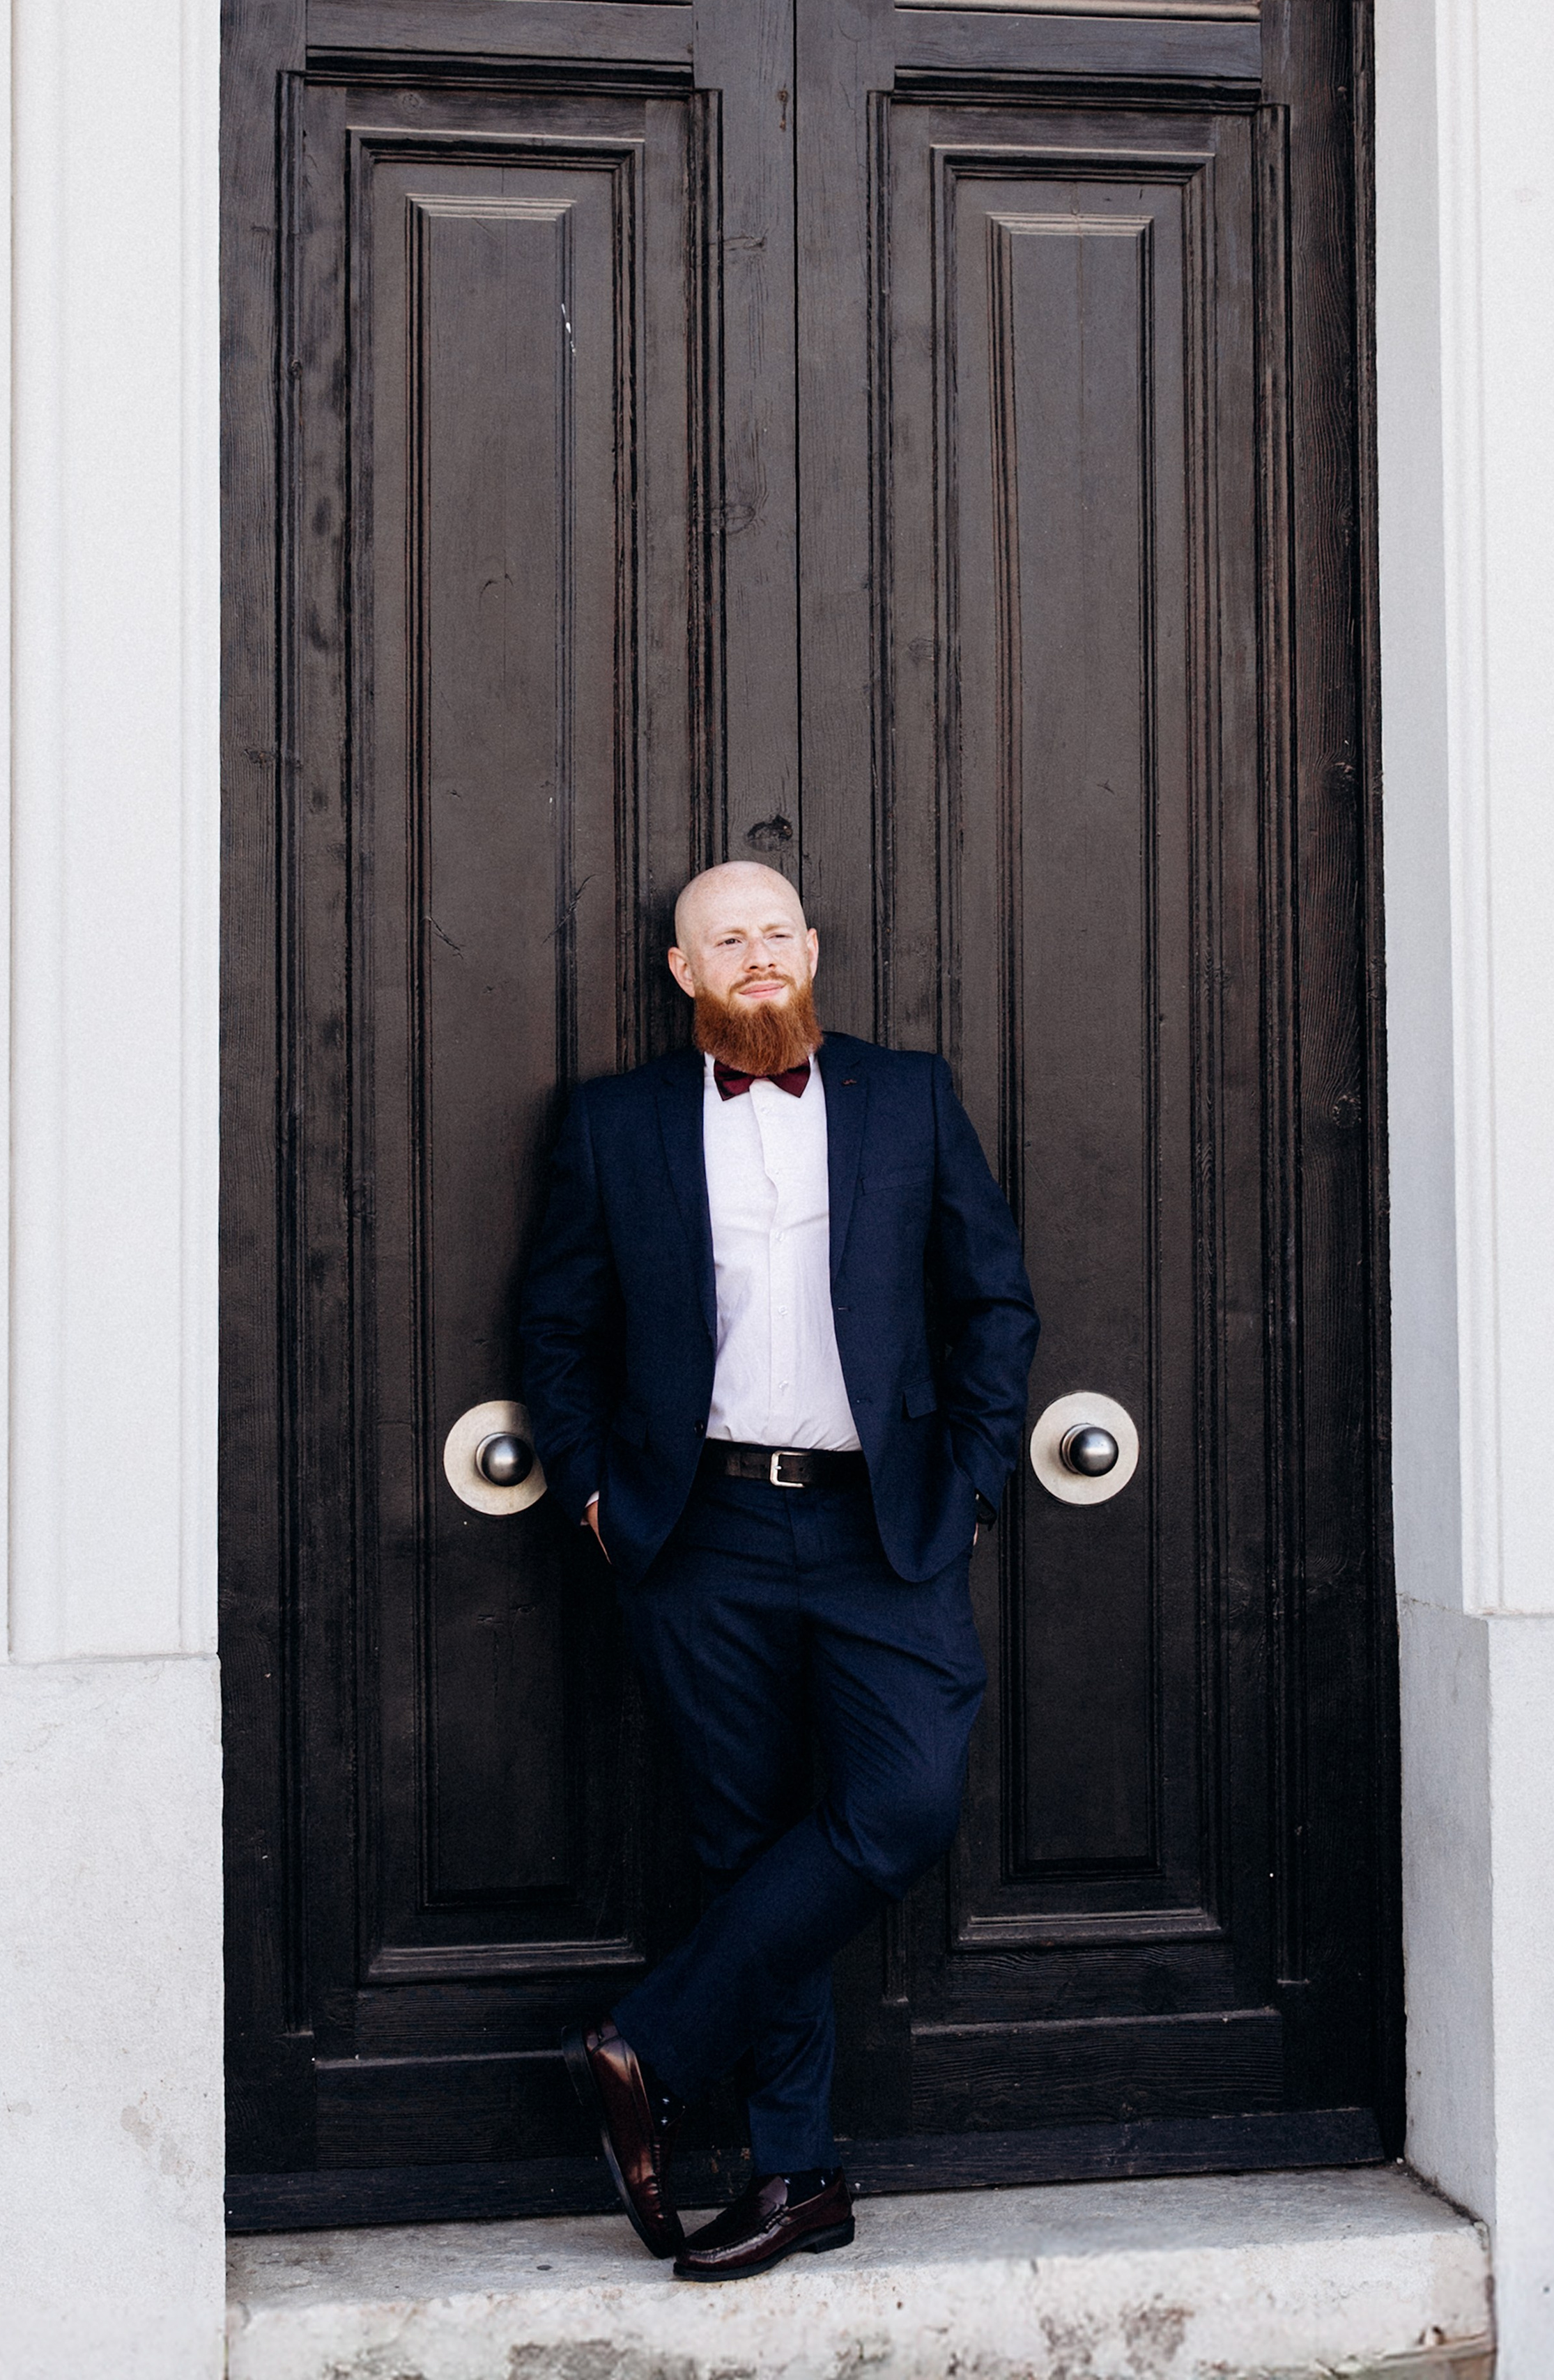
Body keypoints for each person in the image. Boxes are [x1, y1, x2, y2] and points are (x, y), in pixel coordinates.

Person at [518, 862, 1038, 2280]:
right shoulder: (614, 1123)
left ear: (809, 950)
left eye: (772, 932)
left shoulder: (909, 1095)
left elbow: (992, 1299)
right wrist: (590, 1496)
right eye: (720, 939)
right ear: (682, 973)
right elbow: (556, 1326)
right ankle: (794, 2172)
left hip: (885, 1526)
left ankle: (653, 2043)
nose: (753, 955)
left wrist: (973, 1471)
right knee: (751, 1849)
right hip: (701, 1532)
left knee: (901, 1801)